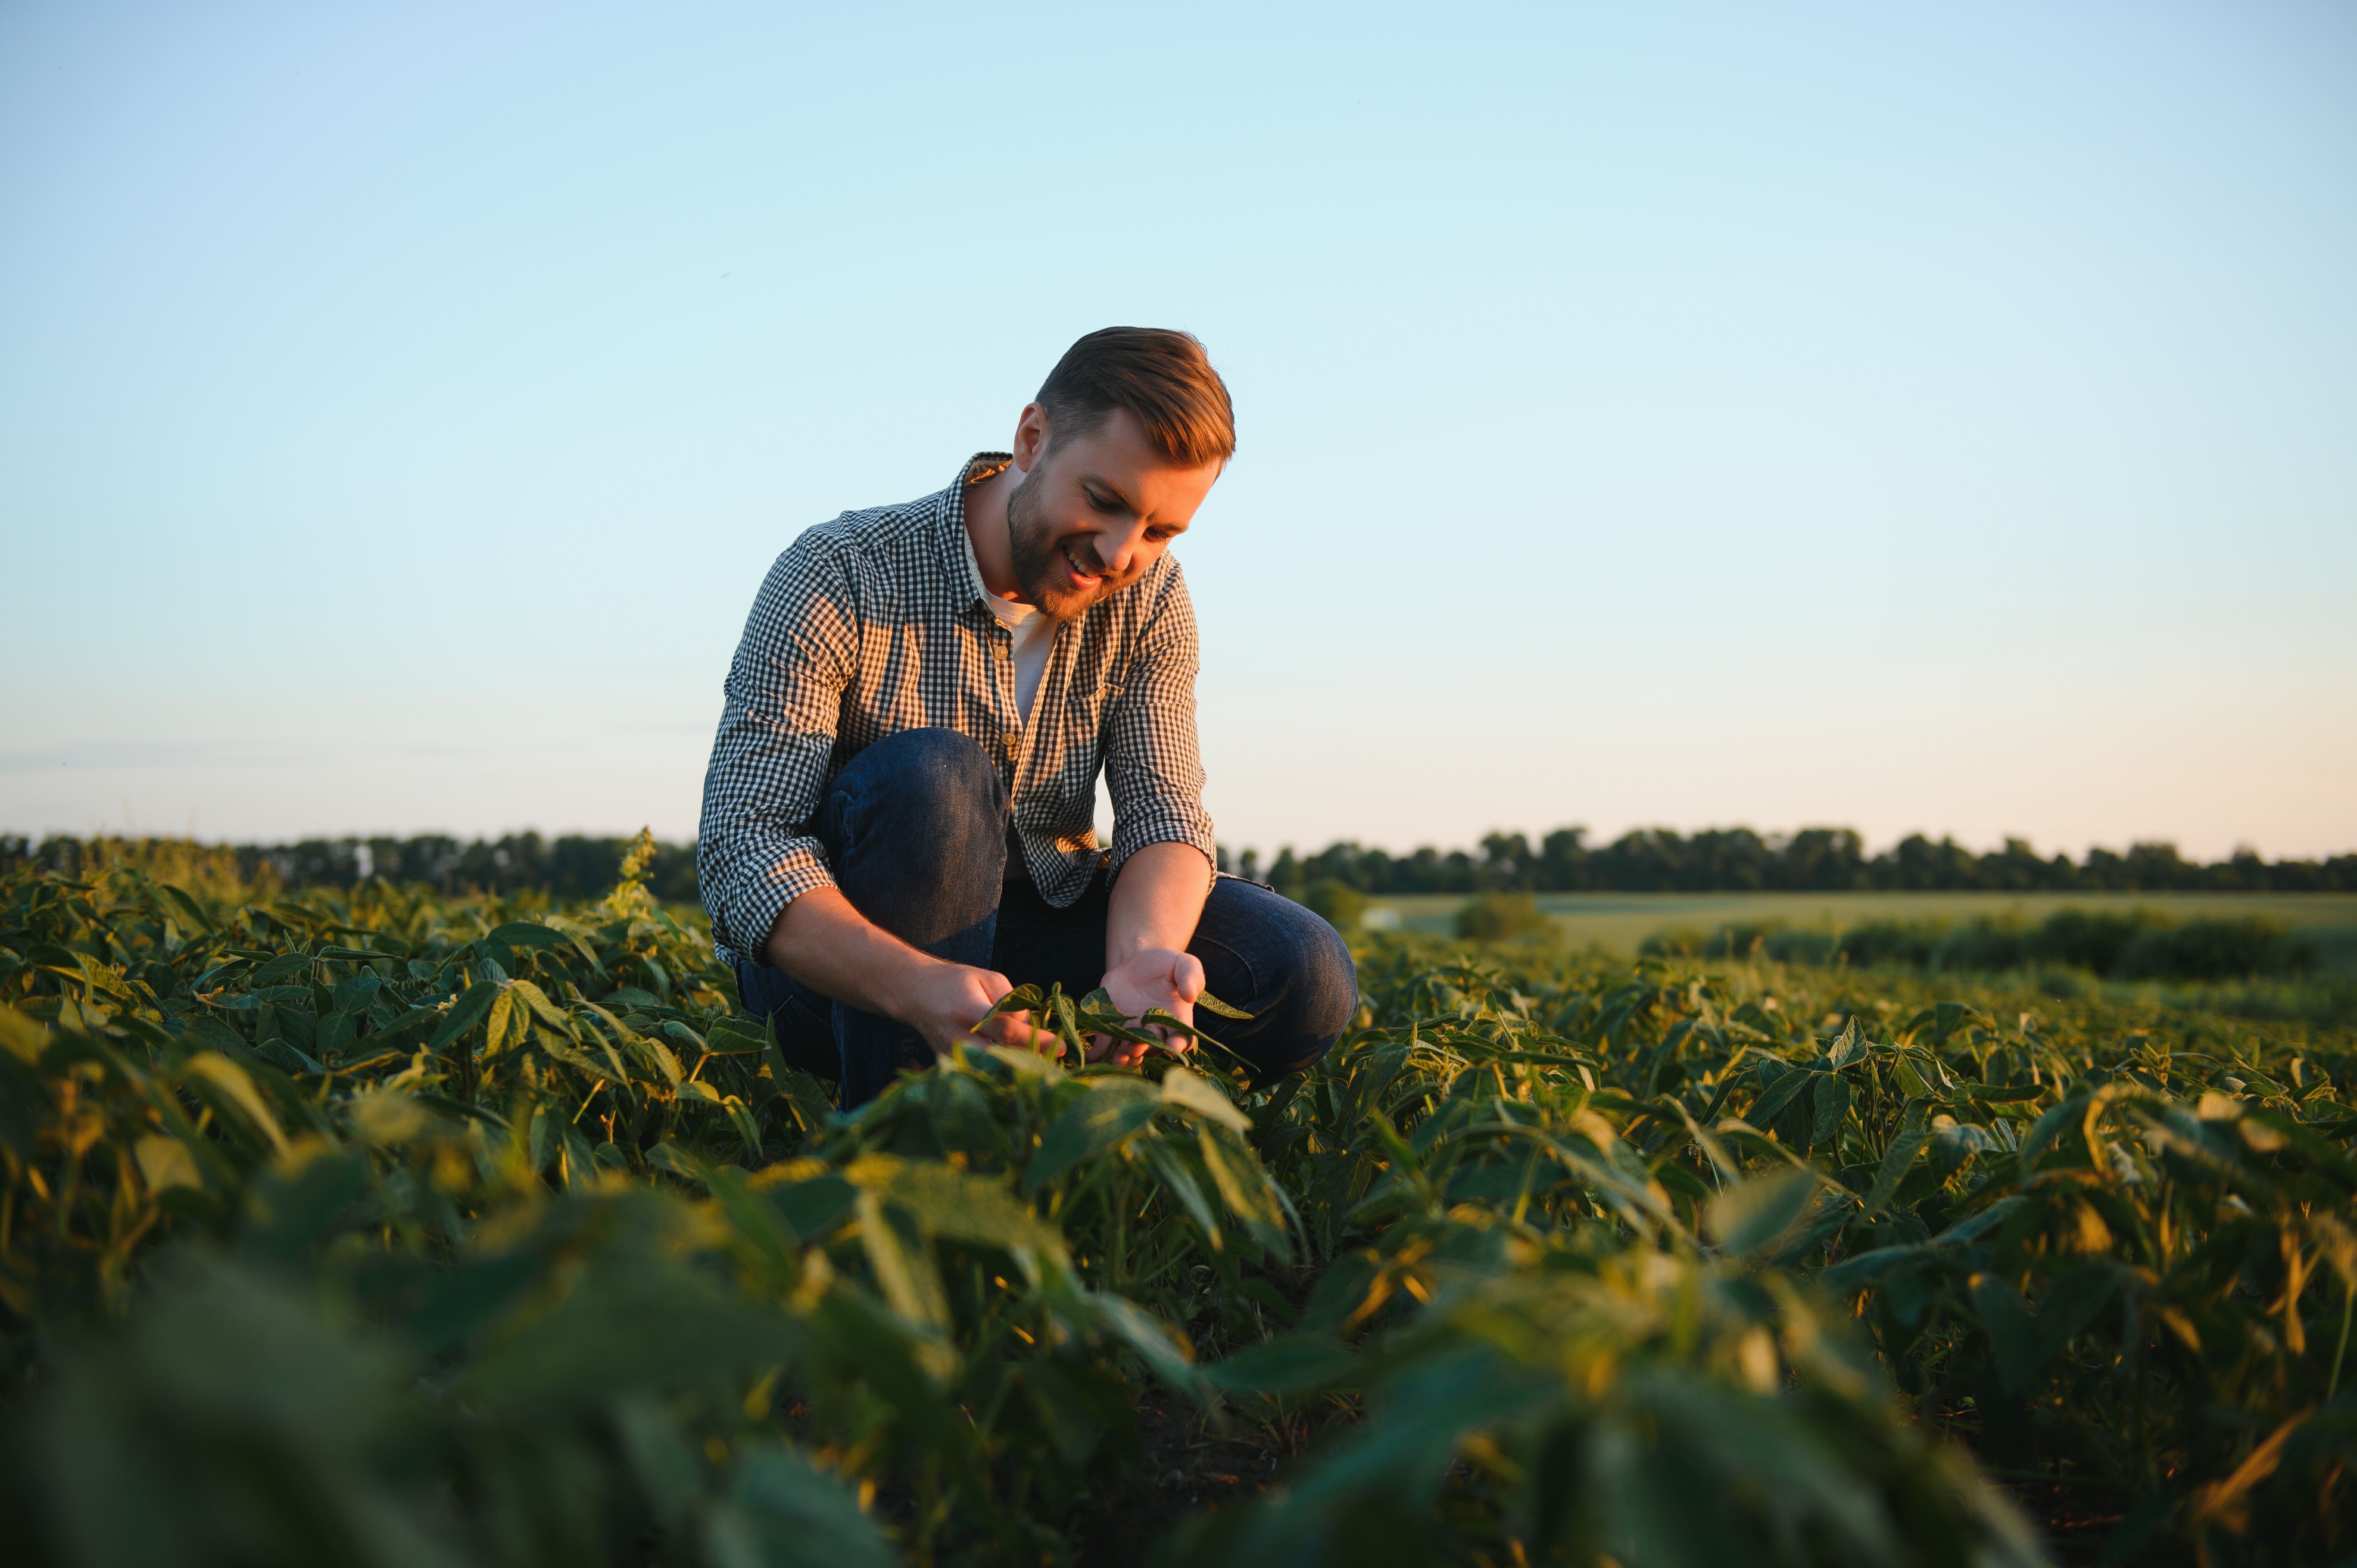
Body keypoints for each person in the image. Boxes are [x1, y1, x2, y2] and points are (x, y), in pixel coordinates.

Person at [697, 327, 1357, 1107]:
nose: (1120, 552)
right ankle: (903, 1142)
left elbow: (1164, 809)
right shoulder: (842, 570)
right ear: (1031, 439)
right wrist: (915, 984)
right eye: (1104, 501)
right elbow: (744, 843)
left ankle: (1079, 1098)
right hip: (847, 967)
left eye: (1159, 530)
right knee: (936, 777)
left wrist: (1140, 960)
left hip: (1039, 924)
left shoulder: (1152, 599)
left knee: (1298, 966)